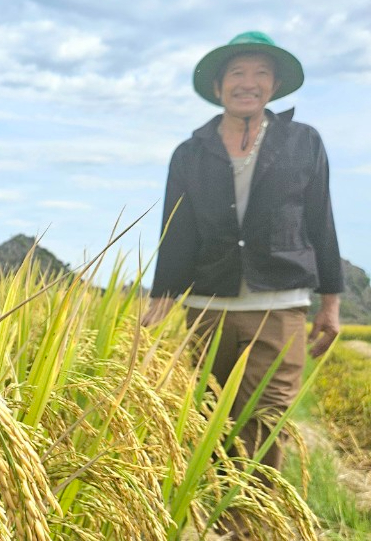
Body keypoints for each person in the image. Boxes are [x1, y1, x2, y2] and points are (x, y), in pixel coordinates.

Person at [144, 31, 343, 471]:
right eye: (237, 73)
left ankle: (249, 523)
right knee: (212, 410)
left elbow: (321, 222)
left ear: (274, 85)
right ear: (218, 87)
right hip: (207, 303)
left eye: (261, 74)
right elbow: (176, 229)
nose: (247, 83)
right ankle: (213, 511)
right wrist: (161, 296)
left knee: (266, 414)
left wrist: (330, 303)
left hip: (280, 301)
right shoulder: (190, 153)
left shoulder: (303, 142)